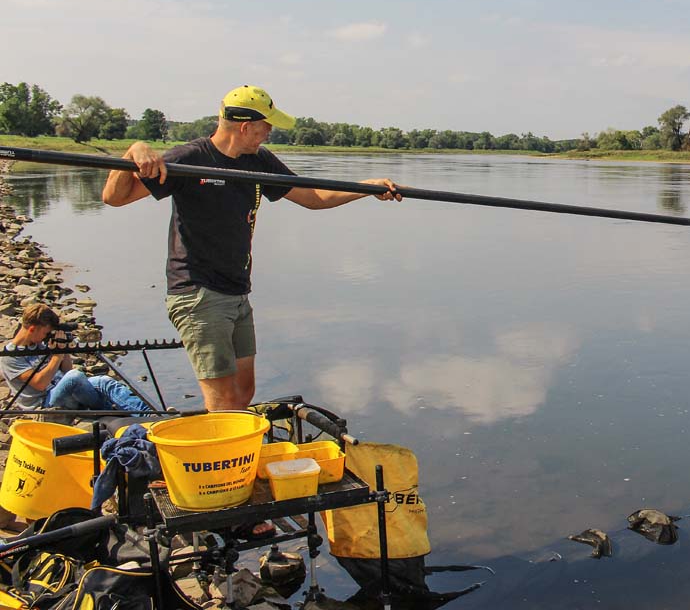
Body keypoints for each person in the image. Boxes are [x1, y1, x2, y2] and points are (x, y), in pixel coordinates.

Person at [102, 85, 400, 411]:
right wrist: (134, 152)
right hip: (197, 293)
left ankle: (231, 450)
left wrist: (367, 188)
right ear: (245, 127)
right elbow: (114, 198)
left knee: (243, 392)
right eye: (266, 126)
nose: (269, 133)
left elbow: (314, 198)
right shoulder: (189, 159)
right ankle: (226, 459)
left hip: (236, 291)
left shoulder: (259, 161)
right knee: (224, 402)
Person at [2, 303, 153, 414]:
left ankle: (150, 416)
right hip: (44, 403)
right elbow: (40, 384)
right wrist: (56, 356)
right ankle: (107, 410)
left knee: (104, 381)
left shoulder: (39, 344)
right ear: (32, 329)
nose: (46, 337)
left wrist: (64, 349)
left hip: (63, 390)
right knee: (75, 376)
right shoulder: (10, 356)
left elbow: (67, 370)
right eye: (45, 333)